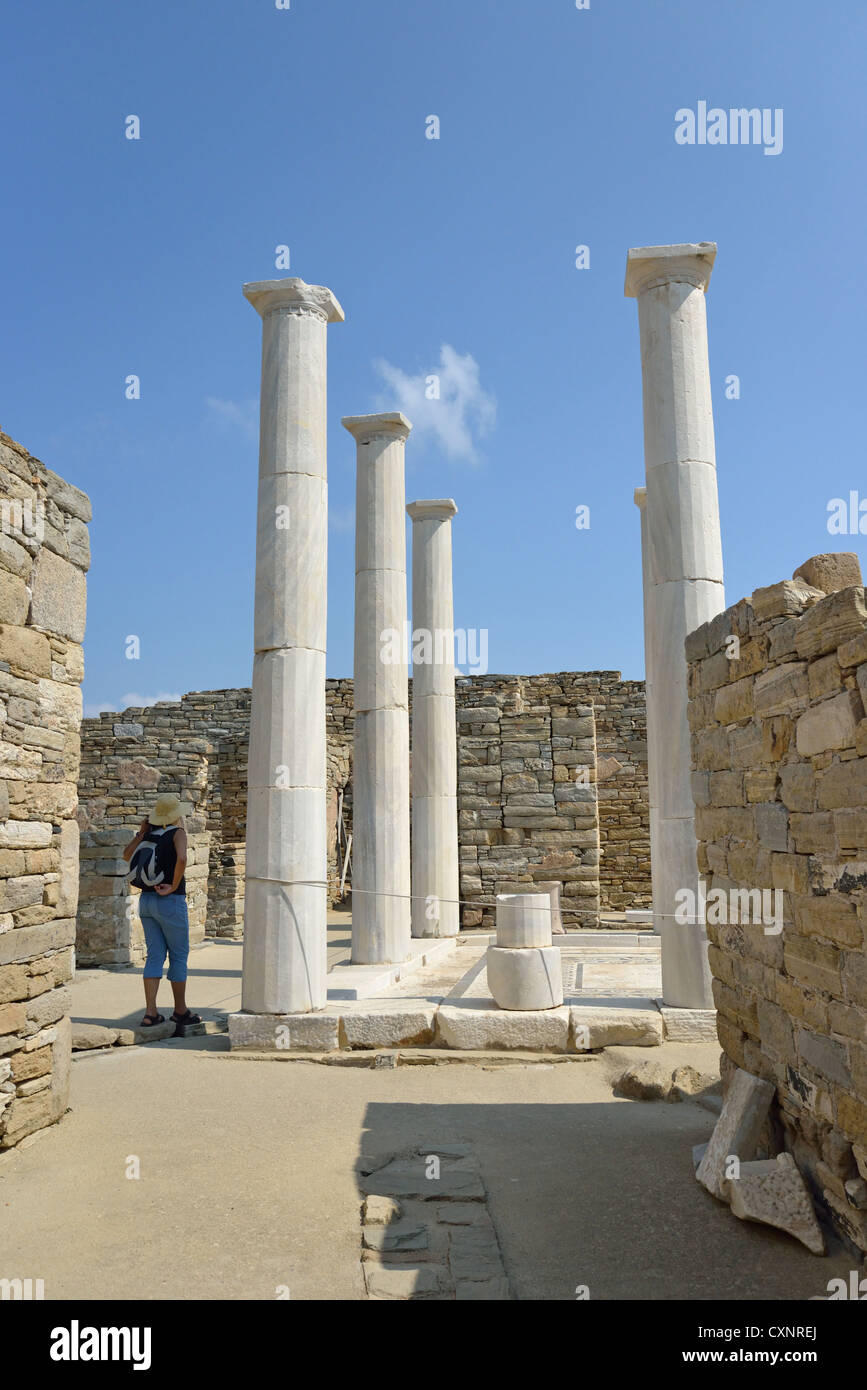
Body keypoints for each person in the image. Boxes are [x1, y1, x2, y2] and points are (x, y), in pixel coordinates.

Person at [122, 793, 202, 1029]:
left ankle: (150, 1013)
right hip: (170, 900)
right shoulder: (177, 833)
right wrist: (174, 885)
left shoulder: (148, 836)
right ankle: (180, 1010)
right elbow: (183, 858)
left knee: (154, 956)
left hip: (146, 901)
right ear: (176, 815)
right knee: (178, 955)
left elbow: (127, 856)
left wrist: (141, 833)